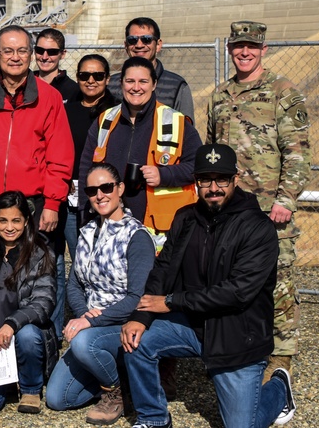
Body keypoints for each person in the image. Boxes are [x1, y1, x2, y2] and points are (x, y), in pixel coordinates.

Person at [120, 144, 296, 428]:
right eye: (205, 180)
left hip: (237, 336)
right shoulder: (185, 217)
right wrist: (141, 316)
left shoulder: (257, 227)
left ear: (235, 180)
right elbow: (163, 268)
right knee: (135, 340)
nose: (213, 188)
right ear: (196, 182)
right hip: (194, 326)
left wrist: (171, 302)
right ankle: (153, 418)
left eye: (221, 179)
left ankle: (278, 389)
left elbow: (238, 292)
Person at [207, 21, 310, 378]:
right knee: (232, 279)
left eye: (251, 46)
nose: (244, 52)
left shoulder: (283, 92)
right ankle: (241, 347)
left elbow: (297, 153)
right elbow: (213, 156)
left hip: (270, 211)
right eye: (238, 46)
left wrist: (285, 200)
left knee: (278, 281)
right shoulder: (219, 96)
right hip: (230, 212)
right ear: (230, 49)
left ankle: (281, 357)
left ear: (263, 49)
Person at [0, 25, 73, 339]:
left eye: (22, 50)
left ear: (31, 54)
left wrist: (52, 203)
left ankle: (45, 342)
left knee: (42, 273)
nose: (15, 57)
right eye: (8, 51)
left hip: (33, 203)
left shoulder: (49, 97)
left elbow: (60, 154)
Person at [45, 162, 155, 425]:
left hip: (123, 323)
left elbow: (137, 298)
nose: (99, 195)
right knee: (57, 399)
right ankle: (119, 375)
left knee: (83, 343)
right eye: (92, 190)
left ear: (120, 189)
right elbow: (74, 285)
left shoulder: (136, 236)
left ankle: (115, 390)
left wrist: (91, 321)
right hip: (91, 322)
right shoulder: (87, 232)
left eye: (106, 187)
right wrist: (85, 314)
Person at [80, 57, 200, 247]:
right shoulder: (105, 121)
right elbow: (86, 168)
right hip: (110, 226)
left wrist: (164, 174)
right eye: (130, 81)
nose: (136, 87)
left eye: (143, 81)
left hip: (159, 231)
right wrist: (84, 213)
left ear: (154, 84)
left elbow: (198, 167)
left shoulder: (176, 121)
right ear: (121, 84)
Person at [0, 191, 57, 415]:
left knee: (27, 335)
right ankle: (8, 378)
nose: (9, 227)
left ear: (26, 221)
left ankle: (30, 388)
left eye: (16, 220)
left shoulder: (41, 254)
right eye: (3, 220)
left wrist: (12, 323)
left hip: (26, 339)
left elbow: (43, 303)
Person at [63, 54, 117, 256]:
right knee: (79, 253)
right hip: (72, 195)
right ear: (77, 78)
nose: (91, 81)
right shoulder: (66, 111)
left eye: (98, 75)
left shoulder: (116, 112)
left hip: (105, 194)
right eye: (85, 75)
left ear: (108, 78)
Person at [108, 17, 194, 120]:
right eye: (132, 40)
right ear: (126, 45)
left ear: (158, 45)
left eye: (146, 39)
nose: (139, 45)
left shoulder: (177, 86)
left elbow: (186, 130)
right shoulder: (111, 85)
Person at [33, 28, 79, 103]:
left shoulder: (73, 90)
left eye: (52, 52)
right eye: (40, 50)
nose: (44, 57)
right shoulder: (25, 84)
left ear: (62, 54)